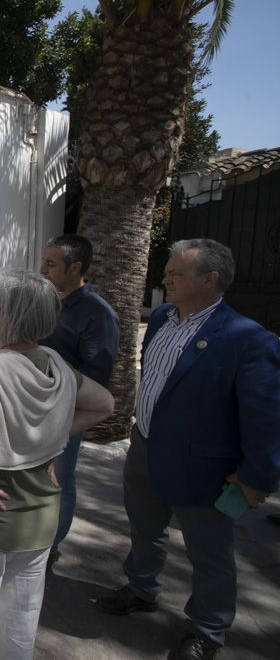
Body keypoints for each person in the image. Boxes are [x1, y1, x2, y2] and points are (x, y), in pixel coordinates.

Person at [95, 239, 280, 660]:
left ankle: (207, 629)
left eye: (177, 273)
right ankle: (141, 589)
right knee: (144, 529)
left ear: (209, 279)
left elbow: (265, 418)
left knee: (210, 554)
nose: (166, 278)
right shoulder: (161, 317)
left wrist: (255, 478)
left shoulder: (249, 340)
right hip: (144, 447)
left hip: (202, 468)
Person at [0, 270, 114, 660]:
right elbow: (103, 404)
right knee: (19, 621)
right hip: (39, 516)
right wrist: (48, 442)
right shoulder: (55, 364)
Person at [38, 234, 119, 567]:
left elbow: (97, 376)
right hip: (34, 410)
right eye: (44, 261)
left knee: (58, 479)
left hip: (62, 415)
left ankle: (50, 547)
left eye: (51, 264)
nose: (42, 269)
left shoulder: (97, 314)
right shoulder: (48, 300)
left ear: (75, 268)